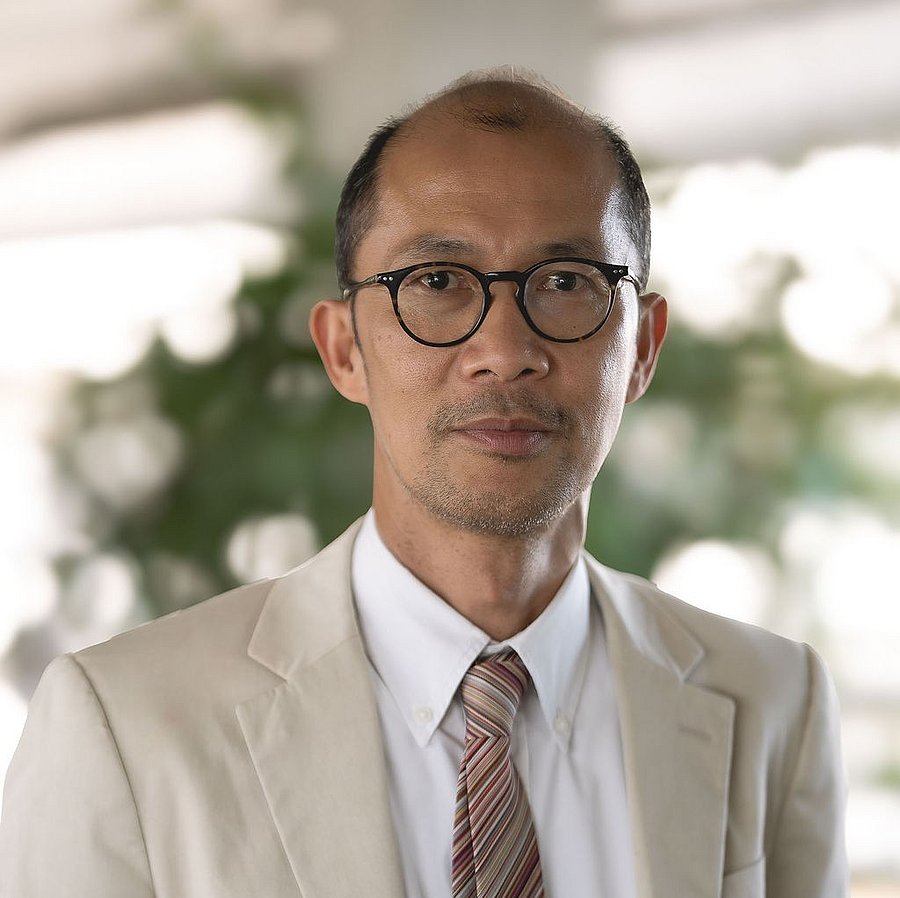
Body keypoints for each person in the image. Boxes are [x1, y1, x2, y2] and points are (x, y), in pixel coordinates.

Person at [0, 67, 847, 898]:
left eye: (565, 282)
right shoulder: (127, 726)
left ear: (643, 350)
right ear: (343, 350)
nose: (504, 351)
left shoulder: (773, 704)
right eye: (436, 282)